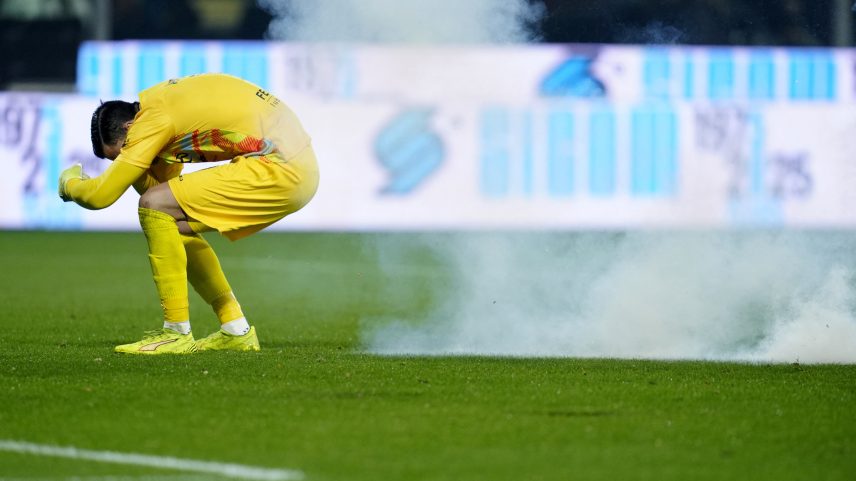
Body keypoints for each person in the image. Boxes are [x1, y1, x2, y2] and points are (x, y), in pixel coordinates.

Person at [58, 73, 319, 354]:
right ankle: (235, 329)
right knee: (171, 223)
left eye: (123, 152)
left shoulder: (152, 120)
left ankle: (175, 332)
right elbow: (159, 194)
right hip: (294, 164)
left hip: (281, 165)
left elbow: (100, 196)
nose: (127, 158)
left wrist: (69, 182)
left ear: (130, 126)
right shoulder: (161, 109)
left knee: (155, 206)